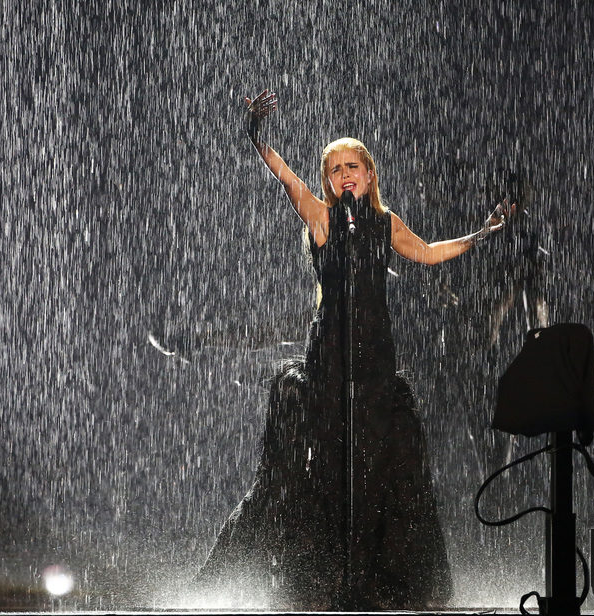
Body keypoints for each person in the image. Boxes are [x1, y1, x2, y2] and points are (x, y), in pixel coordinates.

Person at [196, 90, 514, 610]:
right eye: (336, 168)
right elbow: (285, 176)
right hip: (329, 359)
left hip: (375, 360)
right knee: (324, 465)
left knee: (376, 466)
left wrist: (484, 232)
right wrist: (255, 133)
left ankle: (377, 574)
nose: (345, 174)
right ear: (329, 179)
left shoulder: (385, 224)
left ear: (368, 174)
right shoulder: (320, 218)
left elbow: (431, 253)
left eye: (353, 166)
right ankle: (319, 572)